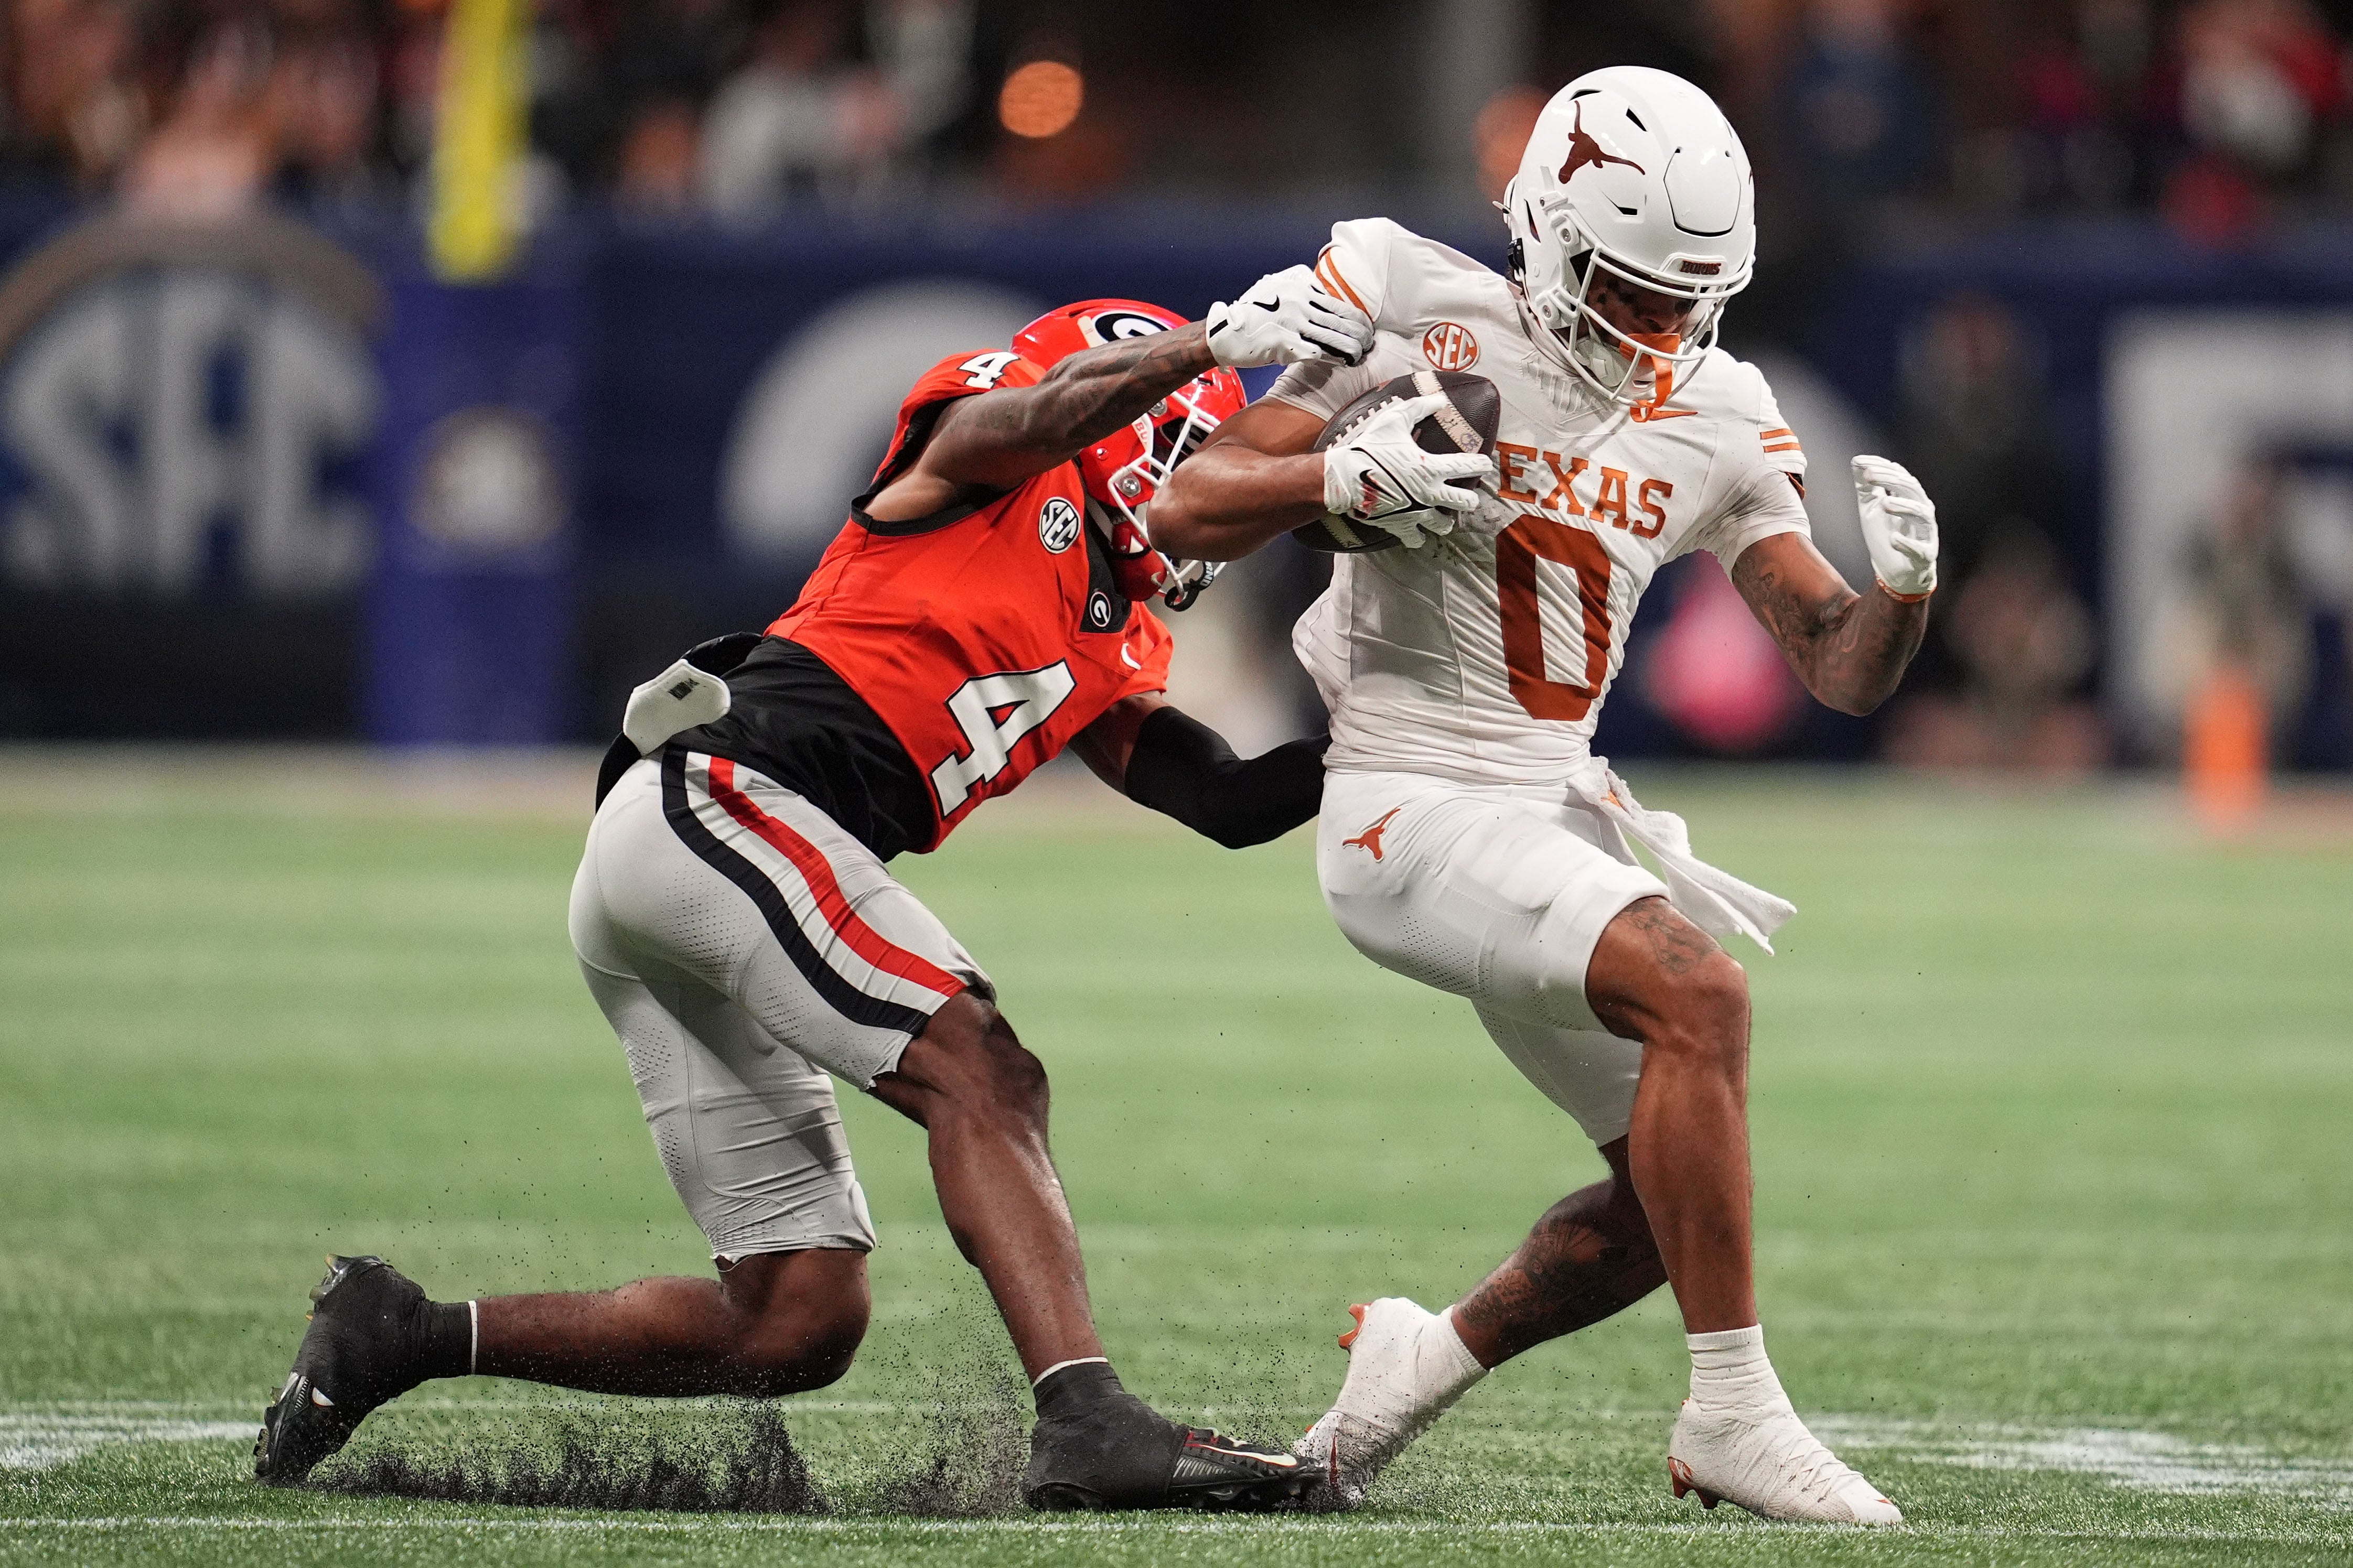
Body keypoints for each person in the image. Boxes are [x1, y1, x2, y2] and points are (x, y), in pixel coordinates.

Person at [254, 272, 1378, 1511]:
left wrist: (1404, 731)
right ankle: (1087, 1416)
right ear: (1140, 433)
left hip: (706, 862)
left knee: (796, 1317)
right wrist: (1207, 345)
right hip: (725, 796)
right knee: (981, 1064)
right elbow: (1037, 415)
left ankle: (401, 1332)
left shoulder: (1117, 638)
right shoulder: (983, 460)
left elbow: (1221, 798)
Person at [1148, 66, 1939, 1524]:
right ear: (1551, 230)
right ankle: (1734, 1414)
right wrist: (1339, 476)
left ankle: (1416, 1365)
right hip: (1401, 803)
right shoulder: (1404, 292)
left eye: (1686, 301)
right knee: (1701, 995)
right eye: (1633, 291)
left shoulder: (1718, 404)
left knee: (1664, 1211)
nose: (1661, 332)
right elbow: (1185, 504)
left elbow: (1836, 665)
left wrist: (1905, 594)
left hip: (1549, 806)